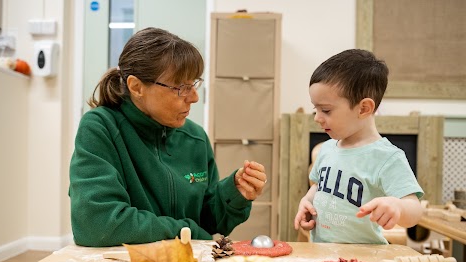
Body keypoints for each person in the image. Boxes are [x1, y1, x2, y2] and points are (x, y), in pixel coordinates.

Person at [69, 27, 267, 247]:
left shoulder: (195, 137)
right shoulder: (100, 127)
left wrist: (234, 194)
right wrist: (185, 230)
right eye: (180, 87)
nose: (193, 97)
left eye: (194, 83)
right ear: (136, 87)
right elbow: (98, 225)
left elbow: (209, 222)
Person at [294, 49, 424, 244]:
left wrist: (397, 206)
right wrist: (307, 201)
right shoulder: (327, 149)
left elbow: (415, 210)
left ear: (364, 108)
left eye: (326, 110)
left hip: (364, 260)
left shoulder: (387, 157)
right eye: (316, 109)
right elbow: (319, 187)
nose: (317, 118)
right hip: (321, 254)